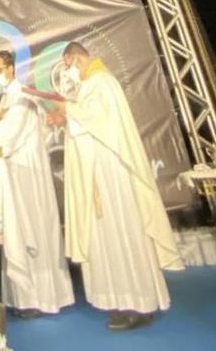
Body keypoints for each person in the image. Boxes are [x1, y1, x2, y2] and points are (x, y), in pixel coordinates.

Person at [49, 42, 183, 332]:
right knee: (107, 238)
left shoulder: (102, 82)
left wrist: (68, 110)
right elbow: (82, 121)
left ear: (75, 58)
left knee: (124, 233)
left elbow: (99, 121)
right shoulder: (87, 86)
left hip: (112, 176)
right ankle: (121, 300)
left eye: (68, 63)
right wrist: (66, 113)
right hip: (96, 176)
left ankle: (140, 303)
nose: (68, 71)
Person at [0, 50, 74, 317]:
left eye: (0, 68)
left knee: (31, 229)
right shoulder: (8, 97)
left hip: (26, 172)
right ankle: (21, 296)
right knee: (21, 230)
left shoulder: (21, 96)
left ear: (12, 68)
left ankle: (37, 298)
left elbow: (9, 133)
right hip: (16, 170)